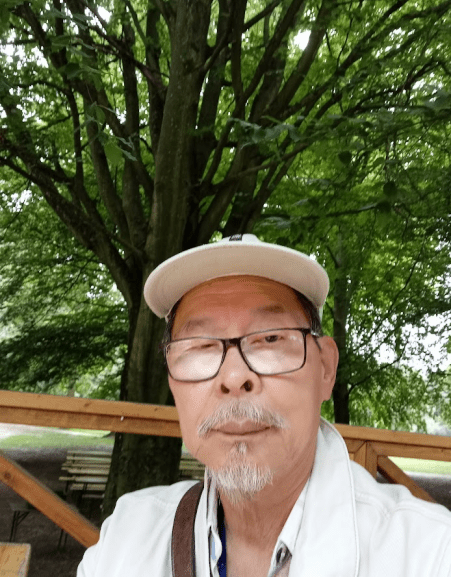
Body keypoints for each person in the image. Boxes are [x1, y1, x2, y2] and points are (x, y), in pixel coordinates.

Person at [77, 234, 451, 577]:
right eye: (201, 345)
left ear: (325, 369)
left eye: (270, 339)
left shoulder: (429, 553)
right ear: (173, 382)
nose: (234, 376)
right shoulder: (125, 541)